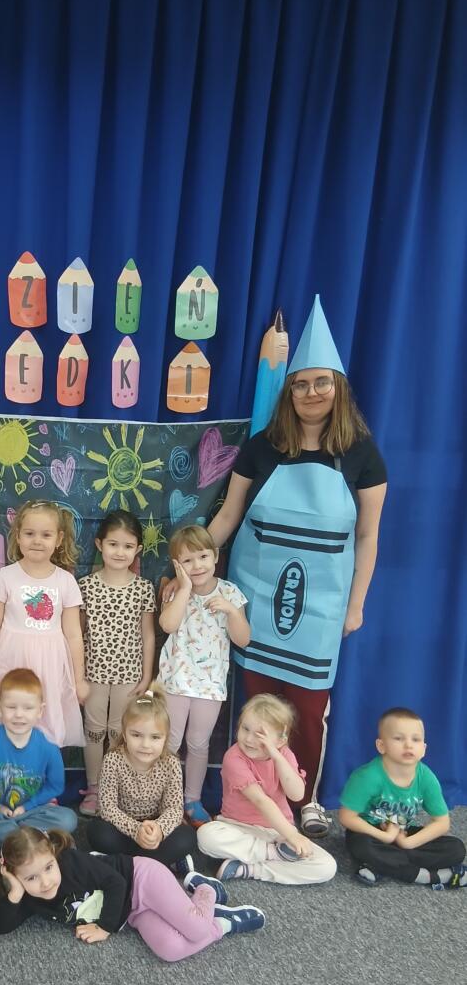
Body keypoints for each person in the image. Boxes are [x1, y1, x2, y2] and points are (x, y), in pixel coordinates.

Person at [204, 296, 387, 838]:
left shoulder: (362, 454)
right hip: (256, 601)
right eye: (301, 384)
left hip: (322, 607)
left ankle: (303, 799)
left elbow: (368, 535)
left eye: (321, 383)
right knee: (255, 706)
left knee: (307, 711)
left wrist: (355, 604)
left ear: (338, 387)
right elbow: (229, 516)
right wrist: (189, 567)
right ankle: (248, 795)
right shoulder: (263, 447)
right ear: (289, 391)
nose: (311, 393)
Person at [0, 826, 266, 963]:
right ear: (15, 877)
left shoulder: (71, 863)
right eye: (31, 878)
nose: (45, 882)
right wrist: (15, 892)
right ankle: (224, 923)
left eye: (48, 868)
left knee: (196, 929)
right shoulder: (28, 897)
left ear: (54, 856)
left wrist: (105, 927)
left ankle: (205, 890)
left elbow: (116, 882)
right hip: (132, 912)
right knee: (170, 951)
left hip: (141, 878)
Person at [0, 499, 87, 746]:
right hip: (12, 662)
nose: (37, 541)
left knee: (47, 723)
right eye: (29, 533)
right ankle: (9, 767)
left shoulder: (65, 581)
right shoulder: (5, 577)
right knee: (12, 719)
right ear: (18, 536)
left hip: (51, 665)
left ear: (58, 539)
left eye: (46, 535)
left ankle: (42, 766)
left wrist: (79, 680)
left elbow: (74, 634)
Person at [158, 525, 249, 825]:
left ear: (216, 556)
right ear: (177, 565)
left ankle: (192, 799)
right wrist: (183, 588)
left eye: (202, 557)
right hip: (175, 682)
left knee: (198, 743)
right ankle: (165, 797)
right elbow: (168, 625)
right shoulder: (175, 591)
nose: (197, 566)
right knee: (168, 743)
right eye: (187, 561)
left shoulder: (230, 593)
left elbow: (243, 640)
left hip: (210, 686)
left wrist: (231, 611)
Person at [197, 695, 336, 885]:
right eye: (245, 729)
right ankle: (273, 854)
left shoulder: (285, 755)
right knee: (206, 836)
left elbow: (297, 794)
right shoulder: (234, 757)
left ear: (280, 740)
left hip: (277, 831)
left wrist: (278, 758)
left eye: (260, 734)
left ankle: (250, 869)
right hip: (238, 828)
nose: (249, 739)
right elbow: (261, 801)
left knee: (327, 867)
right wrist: (292, 837)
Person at [76, 511, 156, 816]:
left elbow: (148, 635)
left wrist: (147, 676)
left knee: (121, 731)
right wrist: (77, 675)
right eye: (113, 544)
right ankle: (94, 788)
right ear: (100, 545)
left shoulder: (143, 588)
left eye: (127, 546)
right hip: (93, 673)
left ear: (137, 549)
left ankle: (115, 788)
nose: (120, 552)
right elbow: (77, 633)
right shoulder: (86, 586)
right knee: (94, 730)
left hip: (129, 674)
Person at [338, 707, 465, 889]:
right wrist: (384, 836)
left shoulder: (426, 778)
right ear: (381, 746)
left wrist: (408, 842)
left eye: (416, 739)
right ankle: (427, 876)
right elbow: (346, 817)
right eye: (399, 738)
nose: (408, 745)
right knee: (362, 847)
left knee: (456, 848)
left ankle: (381, 866)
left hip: (403, 833)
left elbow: (442, 823)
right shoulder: (366, 777)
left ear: (423, 749)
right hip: (370, 832)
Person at [0, 669, 77, 858]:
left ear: (40, 711)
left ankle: (5, 845)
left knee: (68, 819)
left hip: (32, 812)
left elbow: (56, 786)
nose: (19, 715)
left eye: (28, 708)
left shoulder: (49, 748)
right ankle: (34, 845)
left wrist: (28, 806)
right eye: (11, 707)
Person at [86, 686, 196, 870]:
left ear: (165, 738)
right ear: (125, 733)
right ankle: (156, 863)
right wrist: (135, 830)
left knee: (187, 837)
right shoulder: (113, 760)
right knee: (98, 833)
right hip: (122, 828)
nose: (145, 744)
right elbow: (107, 808)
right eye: (136, 735)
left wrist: (159, 830)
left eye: (155, 737)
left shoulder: (171, 763)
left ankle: (125, 863)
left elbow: (174, 808)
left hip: (155, 827)